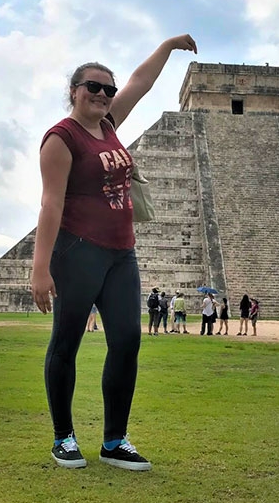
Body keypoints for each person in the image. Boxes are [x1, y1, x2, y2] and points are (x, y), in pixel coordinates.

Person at [30, 34, 197, 472]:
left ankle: (114, 441)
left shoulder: (107, 126)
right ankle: (63, 437)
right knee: (66, 343)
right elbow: (51, 204)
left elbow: (140, 82)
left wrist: (168, 46)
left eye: (108, 88)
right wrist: (40, 268)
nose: (102, 94)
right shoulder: (61, 139)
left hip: (121, 253)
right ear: (74, 91)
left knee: (126, 342)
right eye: (93, 87)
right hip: (77, 251)